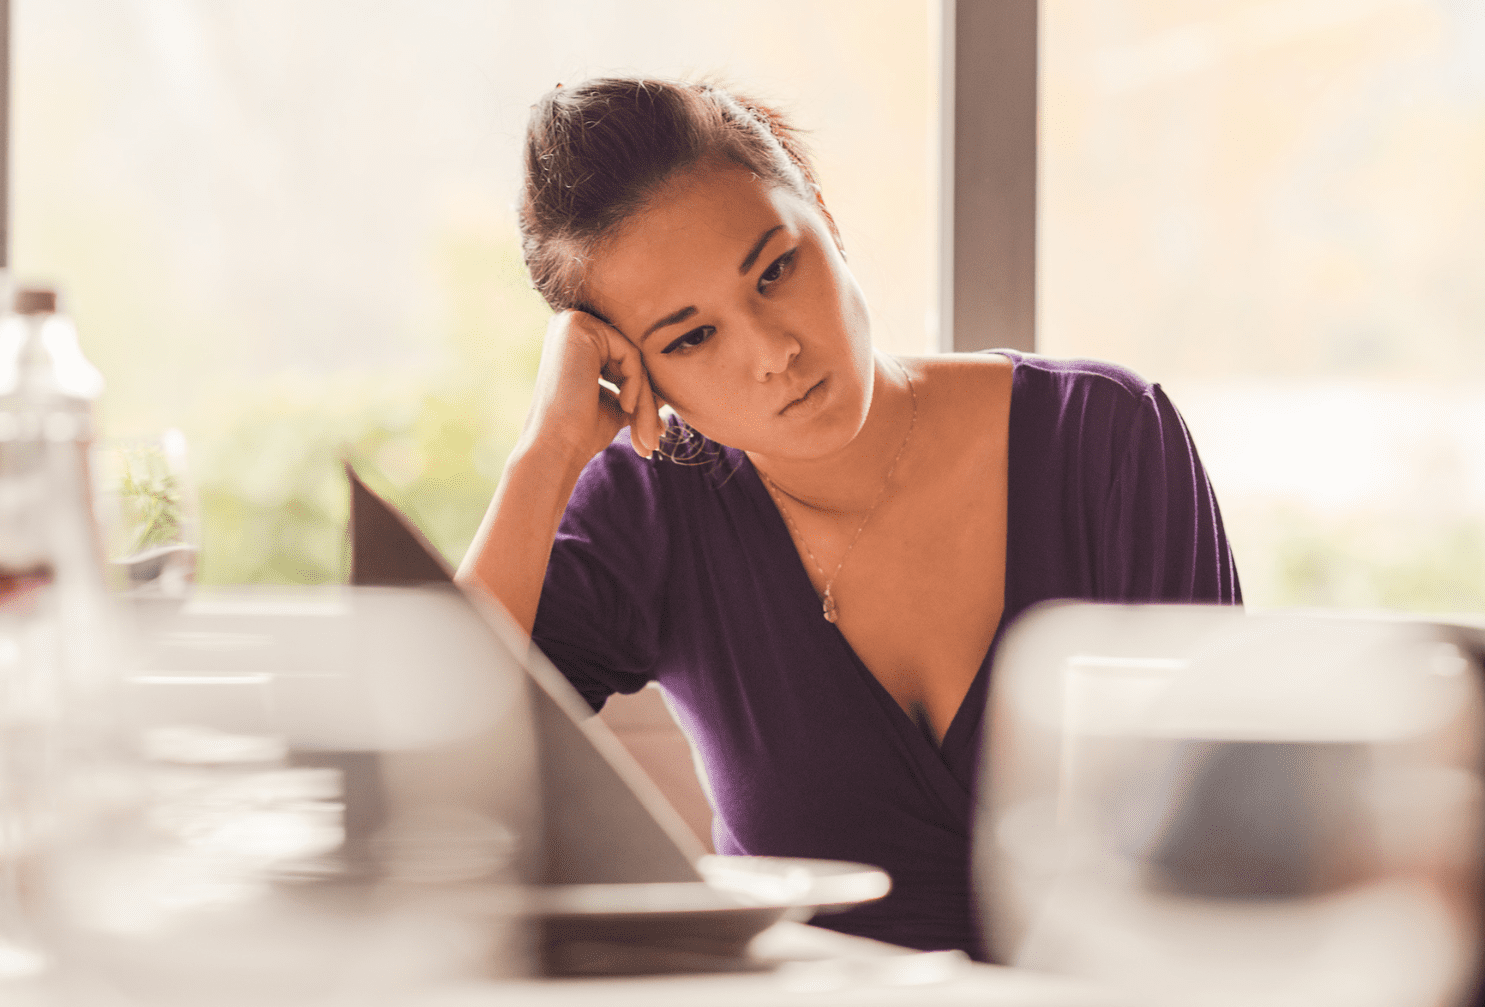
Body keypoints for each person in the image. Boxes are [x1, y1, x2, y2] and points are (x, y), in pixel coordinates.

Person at [457, 77, 1241, 958]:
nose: (774, 352)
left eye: (776, 270)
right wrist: (544, 456)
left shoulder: (1108, 440)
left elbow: (1225, 847)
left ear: (822, 212)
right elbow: (428, 784)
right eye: (690, 338)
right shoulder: (650, 514)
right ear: (630, 372)